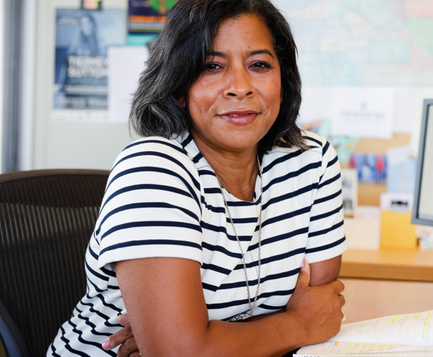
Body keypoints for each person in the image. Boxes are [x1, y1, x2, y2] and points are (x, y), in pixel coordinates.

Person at [47, 0, 348, 356]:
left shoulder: (312, 162)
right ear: (178, 85)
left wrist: (200, 339)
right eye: (212, 66)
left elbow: (322, 313)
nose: (240, 86)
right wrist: (295, 325)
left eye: (259, 64)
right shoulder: (153, 169)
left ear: (282, 78)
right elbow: (305, 323)